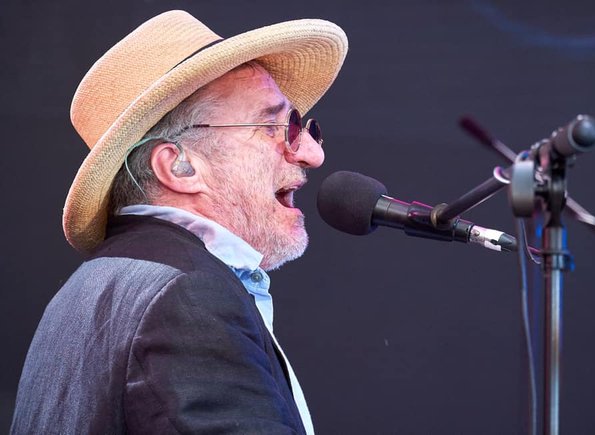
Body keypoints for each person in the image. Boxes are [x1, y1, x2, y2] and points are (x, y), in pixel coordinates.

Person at [11, 10, 347, 434]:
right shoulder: (187, 298)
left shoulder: (80, 296)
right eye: (272, 126)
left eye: (297, 125)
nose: (311, 154)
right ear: (180, 167)